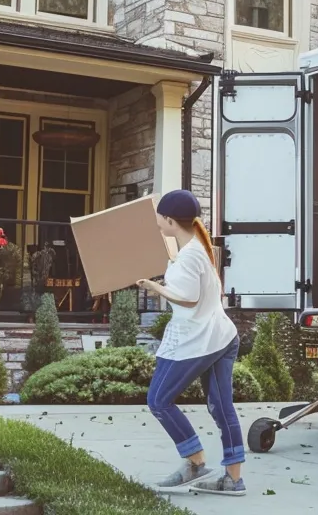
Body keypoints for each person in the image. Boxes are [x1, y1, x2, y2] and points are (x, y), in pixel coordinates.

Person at [134, 190, 246, 497]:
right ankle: (233, 479)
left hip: (198, 340)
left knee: (158, 400)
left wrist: (154, 286)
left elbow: (189, 298)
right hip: (221, 336)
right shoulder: (196, 249)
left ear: (170, 221)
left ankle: (195, 461)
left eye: (160, 217)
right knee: (222, 407)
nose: (157, 222)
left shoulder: (188, 256)